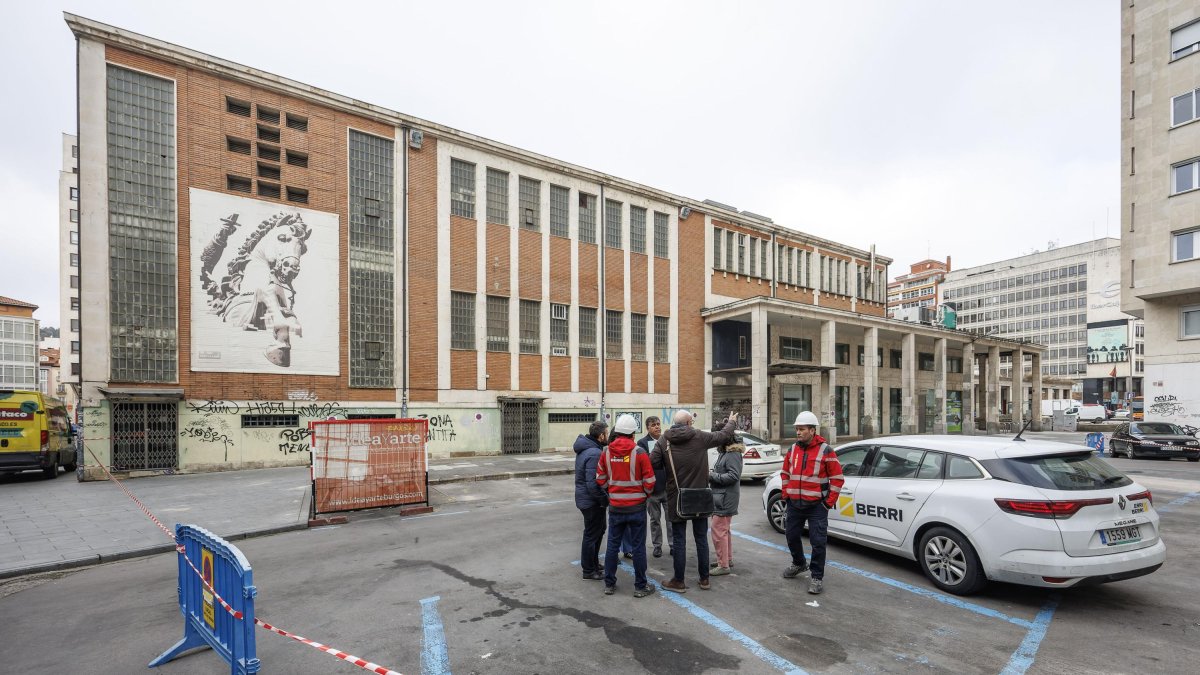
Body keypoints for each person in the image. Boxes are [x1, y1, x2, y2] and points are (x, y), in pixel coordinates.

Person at [651, 409, 736, 593]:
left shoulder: (664, 440)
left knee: (680, 540)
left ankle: (679, 581)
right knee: (700, 539)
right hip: (699, 497)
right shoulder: (700, 437)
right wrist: (732, 421)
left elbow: (653, 463)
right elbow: (724, 435)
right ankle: (704, 579)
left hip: (676, 497)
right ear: (689, 423)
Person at [779, 411, 844, 595]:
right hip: (794, 504)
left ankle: (816, 576)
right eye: (797, 429)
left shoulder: (826, 450)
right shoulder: (793, 449)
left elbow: (837, 479)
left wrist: (827, 504)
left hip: (817, 506)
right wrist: (786, 495)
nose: (798, 433)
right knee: (791, 536)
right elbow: (785, 473)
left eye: (801, 429)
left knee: (818, 543)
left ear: (812, 430)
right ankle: (799, 563)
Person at [596, 414, 657, 598]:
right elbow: (650, 481)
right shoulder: (639, 452)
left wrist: (613, 491)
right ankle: (640, 586)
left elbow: (600, 479)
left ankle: (609, 584)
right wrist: (644, 494)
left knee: (613, 546)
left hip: (615, 508)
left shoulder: (606, 451)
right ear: (632, 434)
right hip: (636, 508)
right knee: (638, 548)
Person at [573, 420, 609, 581]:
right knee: (591, 534)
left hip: (586, 500)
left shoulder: (588, 448)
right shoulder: (594, 453)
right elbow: (593, 483)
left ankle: (593, 563)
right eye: (606, 433)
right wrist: (604, 500)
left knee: (598, 531)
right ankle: (588, 570)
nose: (607, 436)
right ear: (601, 436)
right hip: (591, 502)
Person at [708, 433, 743, 576]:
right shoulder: (726, 452)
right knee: (724, 530)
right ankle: (726, 559)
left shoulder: (732, 454)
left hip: (725, 498)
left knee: (718, 530)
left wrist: (712, 475)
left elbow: (734, 475)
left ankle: (723, 565)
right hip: (723, 497)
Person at [636, 416, 668, 558]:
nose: (657, 427)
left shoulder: (666, 440)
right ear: (648, 428)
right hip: (652, 489)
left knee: (671, 519)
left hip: (667, 487)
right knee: (655, 520)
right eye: (654, 425)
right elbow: (644, 464)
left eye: (658, 424)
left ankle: (673, 544)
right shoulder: (642, 443)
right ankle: (657, 546)